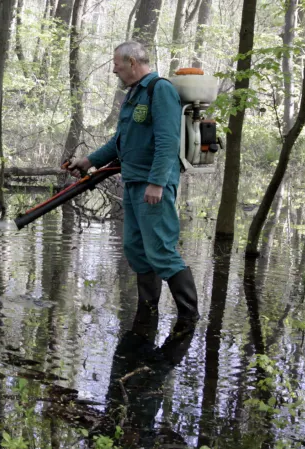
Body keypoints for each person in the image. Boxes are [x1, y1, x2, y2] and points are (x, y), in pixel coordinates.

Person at [67, 41, 200, 332]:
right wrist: (89, 160)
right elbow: (120, 142)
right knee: (136, 249)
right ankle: (147, 311)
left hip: (152, 186)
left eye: (116, 63)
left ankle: (189, 318)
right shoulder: (133, 95)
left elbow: (167, 141)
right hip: (132, 182)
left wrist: (157, 182)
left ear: (131, 62)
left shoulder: (159, 90)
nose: (113, 69)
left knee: (161, 251)